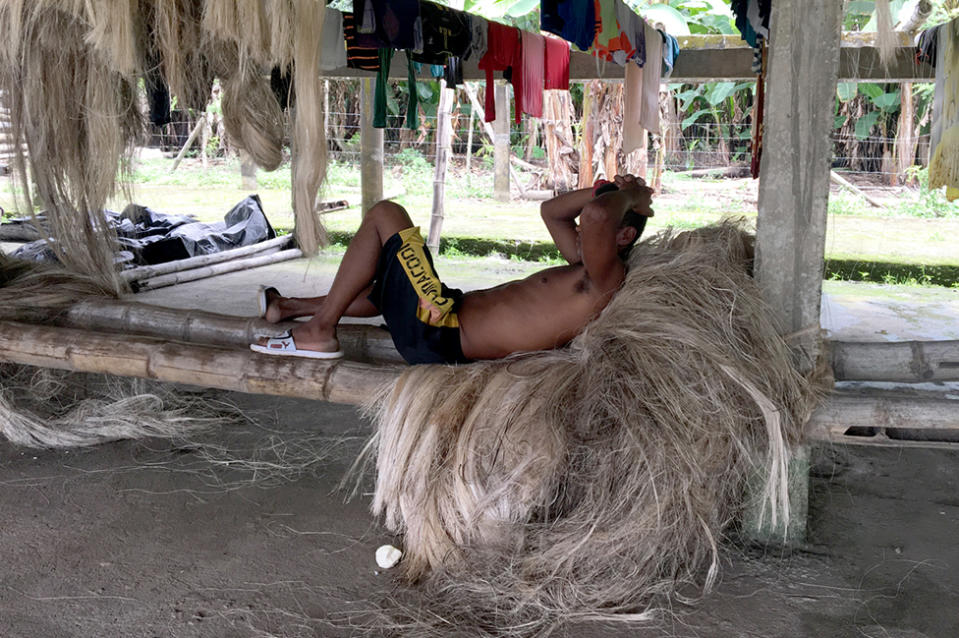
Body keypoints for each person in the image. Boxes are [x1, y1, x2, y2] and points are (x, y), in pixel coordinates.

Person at [251, 173, 654, 363]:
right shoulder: (582, 265)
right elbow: (551, 211)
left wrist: (633, 194)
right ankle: (289, 308)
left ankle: (319, 331)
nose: (582, 223)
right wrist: (606, 190)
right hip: (444, 319)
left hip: (443, 333)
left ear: (622, 238)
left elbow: (599, 217)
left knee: (385, 215)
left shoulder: (604, 278)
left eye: (593, 222)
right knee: (382, 286)